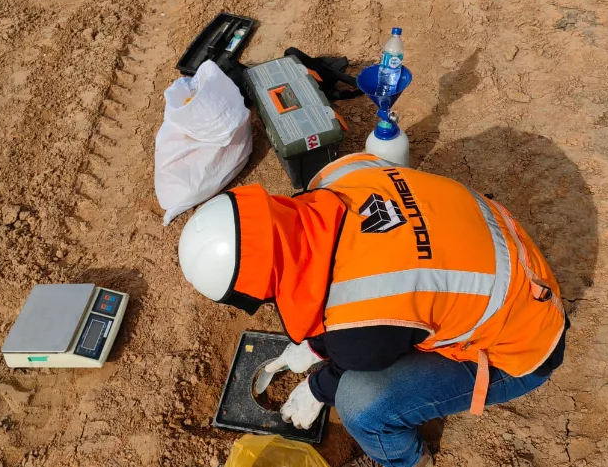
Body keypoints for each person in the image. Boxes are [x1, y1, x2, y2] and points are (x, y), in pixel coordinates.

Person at [178, 153, 568, 467]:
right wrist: (315, 347)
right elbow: (353, 262)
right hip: (510, 255)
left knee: (360, 404)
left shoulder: (357, 330)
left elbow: (359, 349)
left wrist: (317, 389)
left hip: (524, 346)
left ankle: (407, 460)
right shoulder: (340, 178)